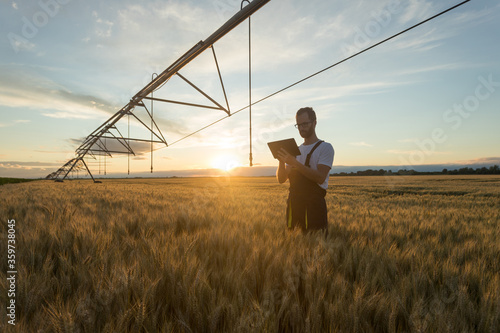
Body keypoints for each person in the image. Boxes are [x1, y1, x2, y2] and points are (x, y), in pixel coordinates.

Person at [276, 107, 334, 235]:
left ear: (314, 122)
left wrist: (295, 163)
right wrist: (281, 160)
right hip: (294, 206)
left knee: (316, 245)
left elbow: (320, 177)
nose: (302, 128)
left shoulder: (325, 148)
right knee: (294, 245)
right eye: (299, 125)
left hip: (314, 206)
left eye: (305, 124)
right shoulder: (294, 150)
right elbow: (281, 179)